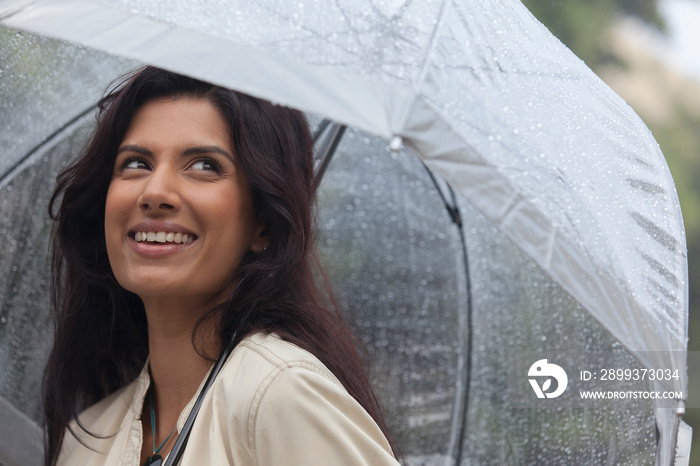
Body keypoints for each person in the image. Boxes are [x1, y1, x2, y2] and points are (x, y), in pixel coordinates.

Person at [43, 66, 402, 466]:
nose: (155, 191)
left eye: (204, 165)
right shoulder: (89, 438)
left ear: (262, 224)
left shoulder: (281, 396)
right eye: (135, 163)